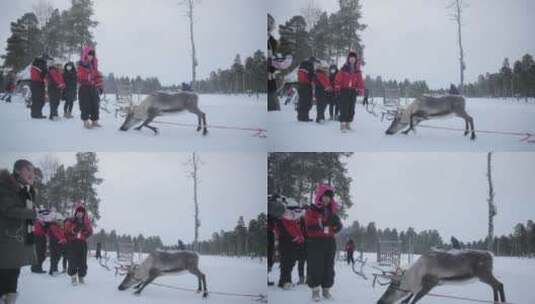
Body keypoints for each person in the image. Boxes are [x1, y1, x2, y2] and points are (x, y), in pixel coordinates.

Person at [0, 160, 38, 304]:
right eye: (28, 169)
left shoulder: (27, 191)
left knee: (14, 272)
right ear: (17, 171)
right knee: (4, 273)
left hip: (17, 240)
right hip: (5, 239)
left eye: (33, 171)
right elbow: (8, 210)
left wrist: (37, 214)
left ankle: (9, 299)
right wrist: (33, 214)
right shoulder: (5, 186)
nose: (32, 174)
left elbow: (27, 214)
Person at [304, 184, 342, 301]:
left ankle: (326, 290)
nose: (327, 199)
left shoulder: (332, 212)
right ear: (320, 196)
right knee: (316, 266)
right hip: (316, 242)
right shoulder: (313, 210)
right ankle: (315, 291)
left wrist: (337, 226)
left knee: (329, 266)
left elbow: (337, 227)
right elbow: (309, 227)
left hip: (329, 242)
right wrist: (323, 225)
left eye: (329, 197)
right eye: (325, 196)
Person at [276, 198, 304, 289]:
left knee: (291, 262)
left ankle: (287, 280)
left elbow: (297, 229)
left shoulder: (294, 219)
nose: (295, 212)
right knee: (286, 262)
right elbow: (281, 230)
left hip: (293, 242)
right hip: (285, 241)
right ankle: (284, 281)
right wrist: (296, 236)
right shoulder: (282, 218)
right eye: (293, 209)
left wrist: (299, 237)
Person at [335, 51, 365, 132]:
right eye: (350, 58)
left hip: (353, 91)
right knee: (344, 107)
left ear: (355, 60)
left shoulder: (357, 71)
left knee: (351, 108)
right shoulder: (344, 68)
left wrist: (361, 89)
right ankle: (342, 125)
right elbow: (338, 78)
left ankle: (348, 124)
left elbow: (360, 81)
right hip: (344, 90)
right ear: (348, 59)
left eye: (353, 58)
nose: (352, 59)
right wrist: (337, 87)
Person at [64, 204, 93, 285]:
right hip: (72, 243)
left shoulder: (86, 221)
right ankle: (73, 277)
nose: (80, 213)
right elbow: (66, 229)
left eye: (82, 212)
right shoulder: (71, 220)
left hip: (82, 243)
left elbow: (90, 231)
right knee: (72, 260)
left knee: (82, 261)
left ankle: (81, 277)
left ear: (84, 213)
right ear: (76, 212)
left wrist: (86, 232)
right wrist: (73, 230)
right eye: (79, 211)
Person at [77, 45, 102, 128]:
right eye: (89, 54)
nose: (90, 56)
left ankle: (94, 120)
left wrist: (99, 85)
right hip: (84, 87)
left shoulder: (94, 66)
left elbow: (97, 76)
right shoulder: (81, 64)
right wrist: (87, 76)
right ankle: (85, 121)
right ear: (85, 55)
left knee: (95, 104)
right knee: (85, 104)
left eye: (92, 55)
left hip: (93, 87)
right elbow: (79, 76)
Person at [297, 57, 319, 121]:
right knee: (307, 102)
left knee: (301, 101)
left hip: (300, 85)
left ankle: (300, 116)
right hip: (306, 86)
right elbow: (312, 76)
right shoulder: (310, 65)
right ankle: (305, 117)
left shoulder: (302, 65)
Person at [30, 54, 51, 119]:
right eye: (47, 59)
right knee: (39, 99)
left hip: (34, 82)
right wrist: (47, 72)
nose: (47, 61)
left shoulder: (36, 63)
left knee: (36, 99)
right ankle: (37, 114)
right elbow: (42, 75)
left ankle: (35, 113)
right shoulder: (41, 64)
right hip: (38, 82)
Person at [47, 210, 66, 276]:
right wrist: (61, 239)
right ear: (56, 220)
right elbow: (56, 234)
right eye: (59, 220)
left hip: (59, 243)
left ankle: (53, 270)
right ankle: (53, 270)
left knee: (57, 257)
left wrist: (64, 239)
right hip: (54, 243)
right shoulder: (53, 226)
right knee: (54, 257)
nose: (61, 221)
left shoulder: (60, 227)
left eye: (61, 220)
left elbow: (62, 234)